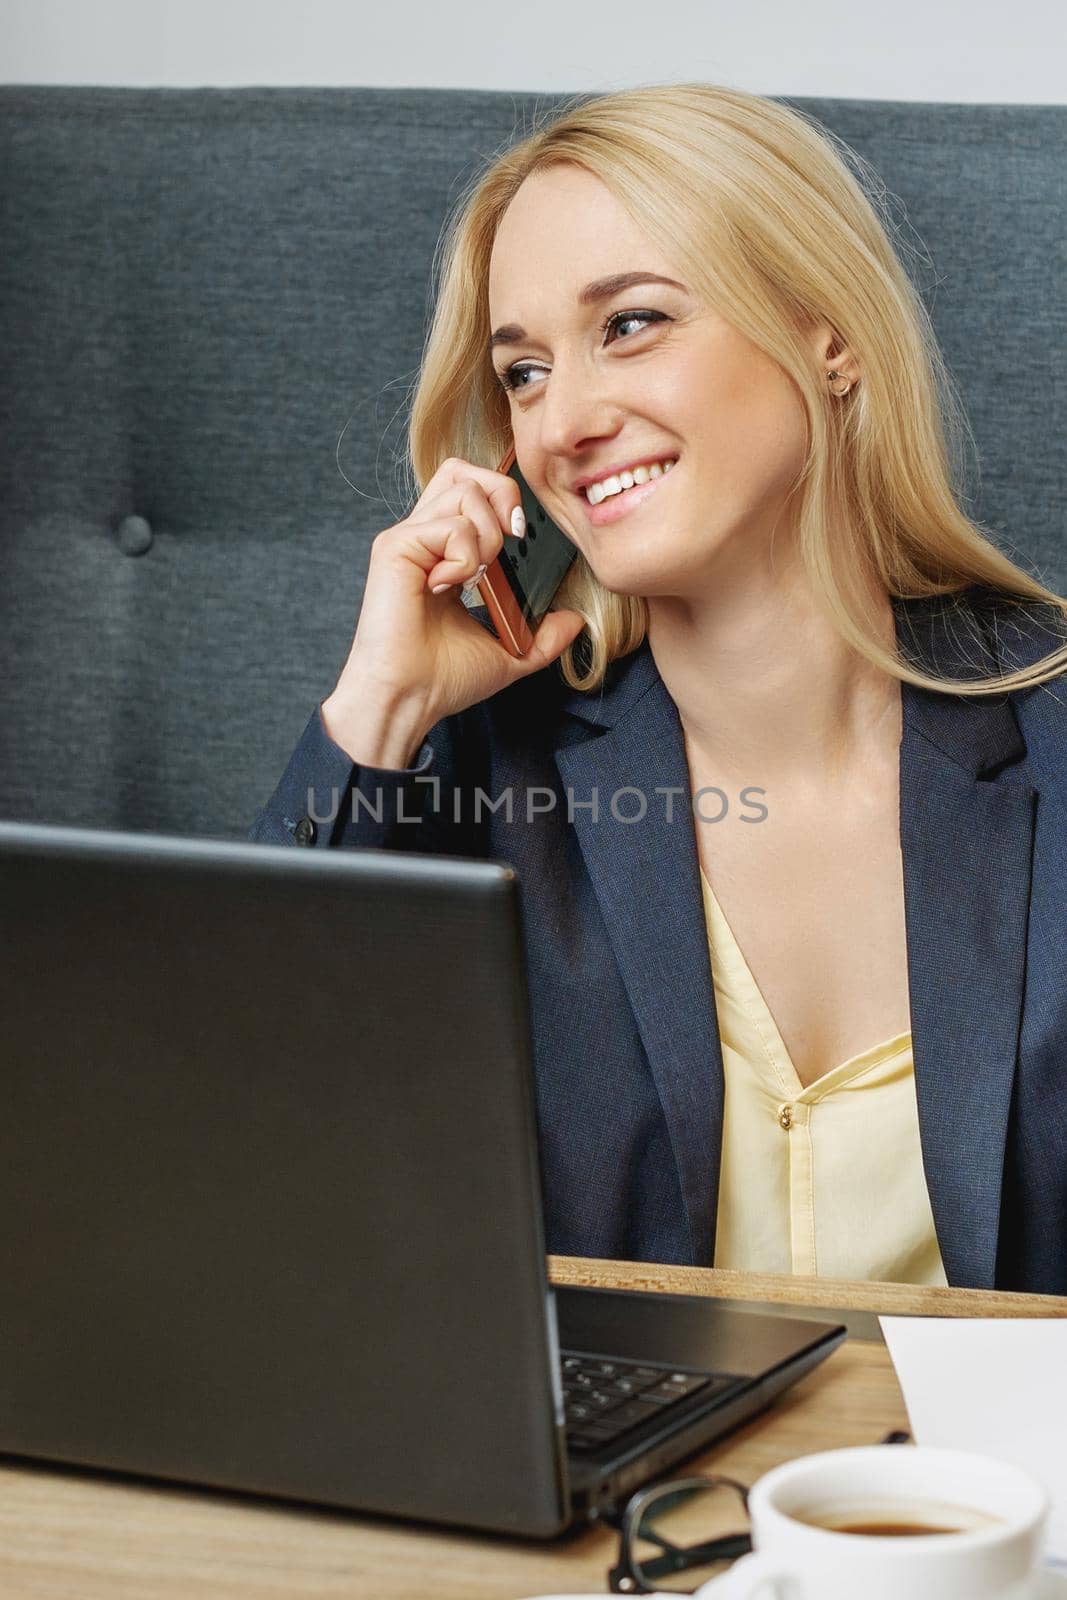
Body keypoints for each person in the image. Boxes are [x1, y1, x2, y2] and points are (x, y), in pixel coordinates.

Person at [250, 82, 1067, 1294]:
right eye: (521, 374)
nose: (563, 422)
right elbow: (251, 1148)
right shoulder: (486, 774)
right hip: (603, 1486)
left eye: (628, 324)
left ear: (824, 335)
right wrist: (379, 713)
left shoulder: (1048, 734)